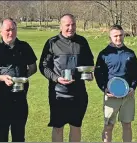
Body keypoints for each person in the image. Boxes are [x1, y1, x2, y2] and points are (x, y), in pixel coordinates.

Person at [39, 13, 94, 142]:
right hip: (59, 93)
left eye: (73, 24)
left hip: (79, 93)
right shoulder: (52, 43)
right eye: (67, 25)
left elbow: (89, 63)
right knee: (58, 127)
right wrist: (56, 78)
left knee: (76, 127)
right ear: (61, 26)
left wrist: (89, 73)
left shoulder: (82, 42)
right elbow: (43, 66)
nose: (71, 28)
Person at [0, 18, 37, 142]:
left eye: (13, 29)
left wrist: (23, 78)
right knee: (1, 136)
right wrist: (0, 78)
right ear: (0, 31)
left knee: (19, 136)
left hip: (20, 99)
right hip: (0, 100)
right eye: (7, 30)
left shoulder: (25, 47)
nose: (11, 33)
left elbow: (33, 68)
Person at [94, 25, 137, 142]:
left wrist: (133, 87)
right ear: (110, 37)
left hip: (128, 96)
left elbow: (136, 73)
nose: (118, 38)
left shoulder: (130, 53)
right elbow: (98, 74)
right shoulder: (104, 54)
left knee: (127, 125)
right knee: (108, 126)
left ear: (124, 35)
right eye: (115, 36)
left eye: (120, 35)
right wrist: (104, 89)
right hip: (111, 96)